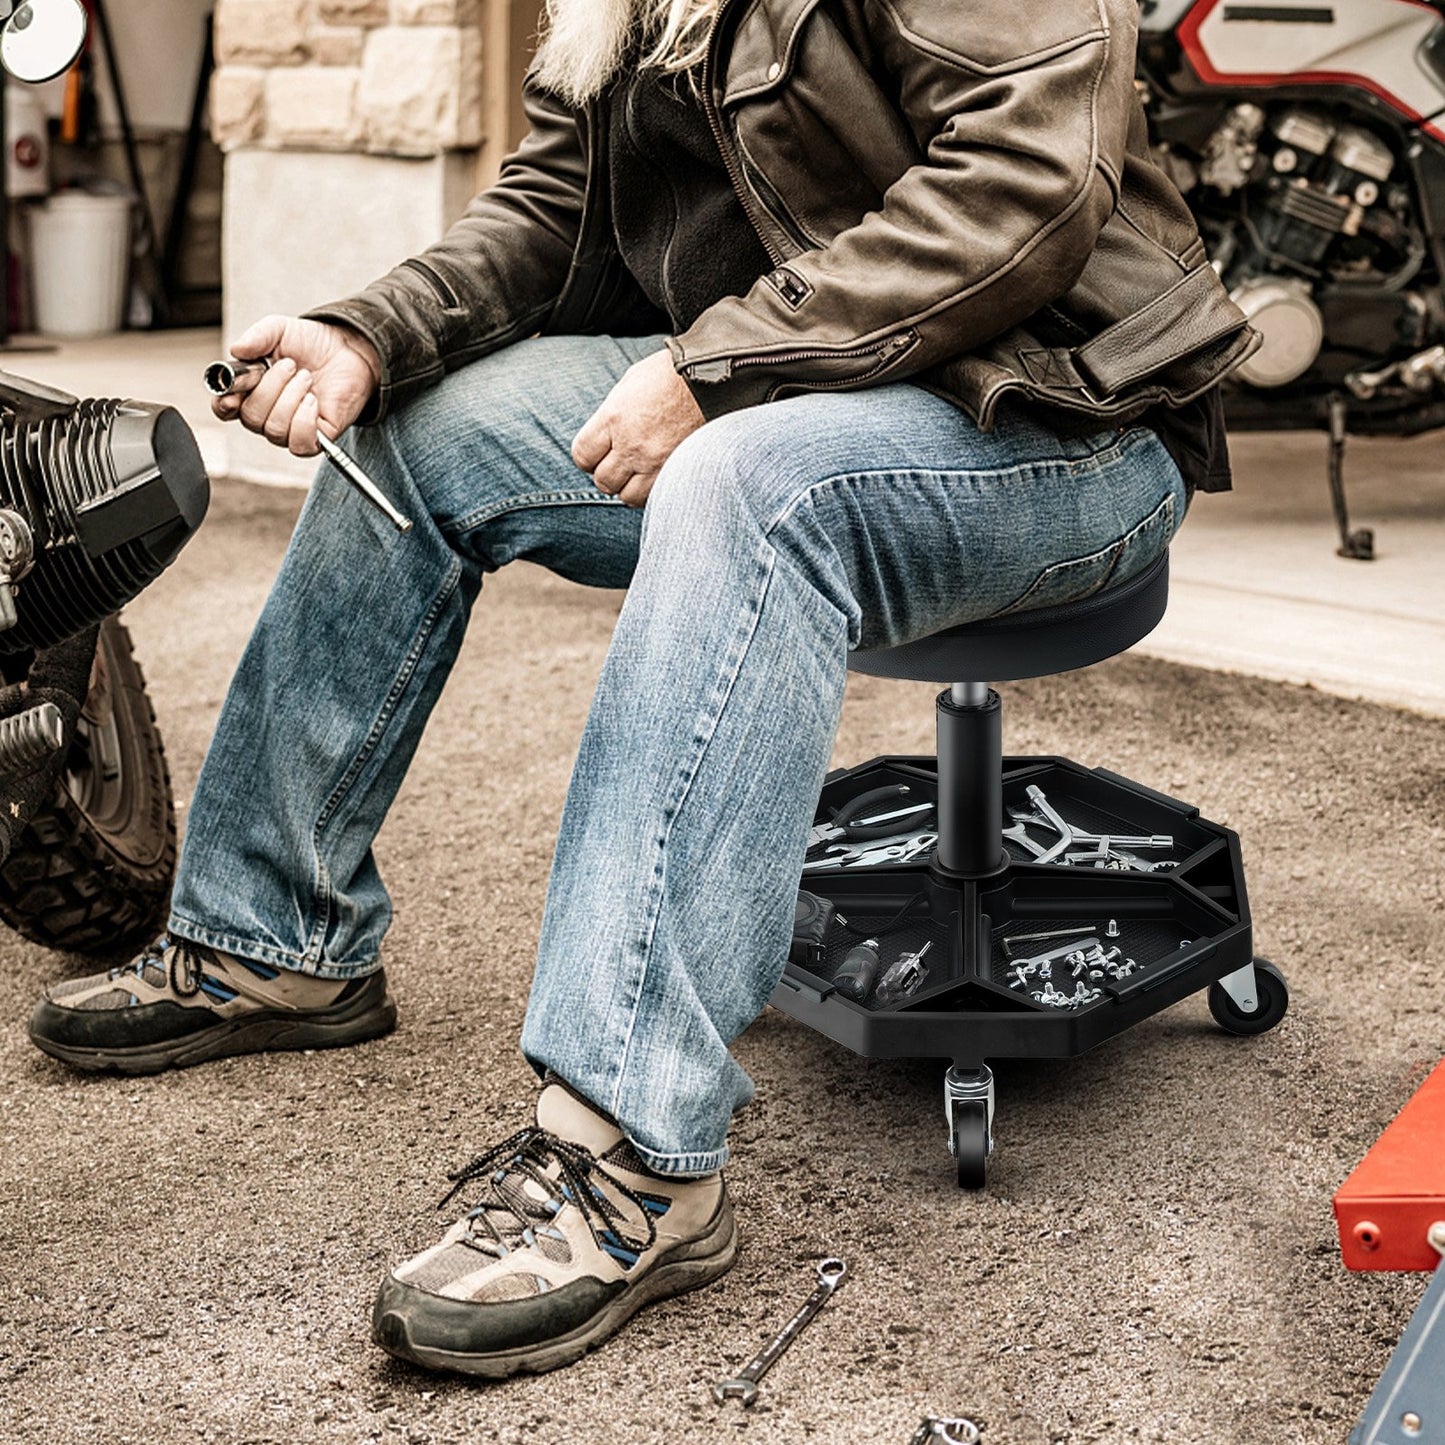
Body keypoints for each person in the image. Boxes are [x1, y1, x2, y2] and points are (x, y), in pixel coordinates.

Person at [26, 0, 1255, 1378]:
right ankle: (275, 930)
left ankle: (630, 1153)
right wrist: (368, 334)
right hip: (807, 376)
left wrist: (714, 369)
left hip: (1061, 414)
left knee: (746, 481)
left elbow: (1029, 179)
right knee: (425, 430)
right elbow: (559, 204)